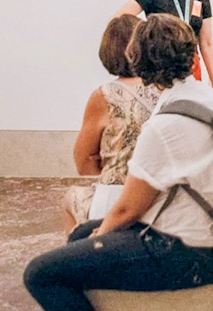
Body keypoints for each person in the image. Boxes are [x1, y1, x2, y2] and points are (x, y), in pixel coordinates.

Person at [24, 14, 213, 310]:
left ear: (142, 65)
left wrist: (101, 234)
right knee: (79, 235)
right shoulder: (209, 96)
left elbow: (127, 208)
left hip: (185, 253)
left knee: (40, 273)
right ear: (190, 55)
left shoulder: (163, 126)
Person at [61, 14, 161, 233]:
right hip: (160, 198)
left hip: (117, 199)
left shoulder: (104, 96)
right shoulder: (165, 90)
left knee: (71, 198)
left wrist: (114, 162)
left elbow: (84, 165)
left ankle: (80, 257)